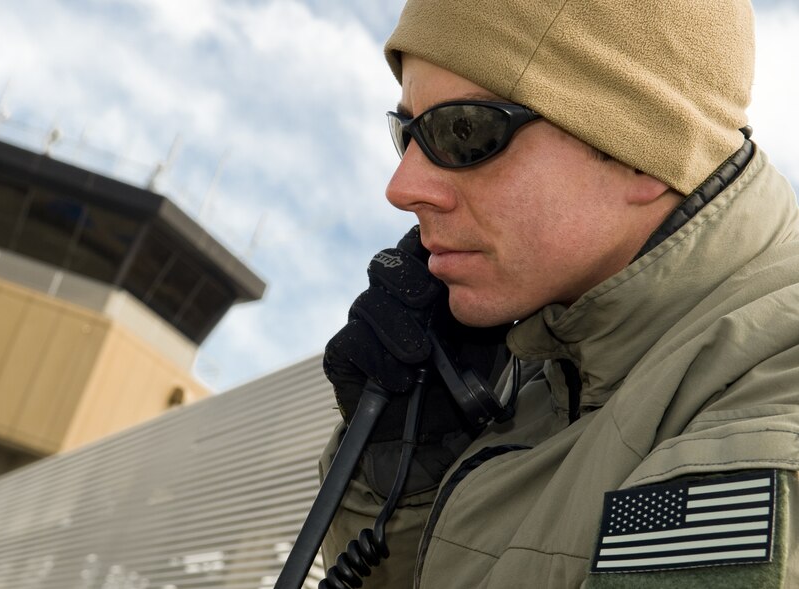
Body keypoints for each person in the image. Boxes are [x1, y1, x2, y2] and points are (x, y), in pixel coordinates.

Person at [318, 0, 799, 587]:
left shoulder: (766, 411)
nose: (403, 187)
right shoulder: (549, 374)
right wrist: (406, 475)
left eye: (461, 131)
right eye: (408, 133)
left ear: (643, 145)